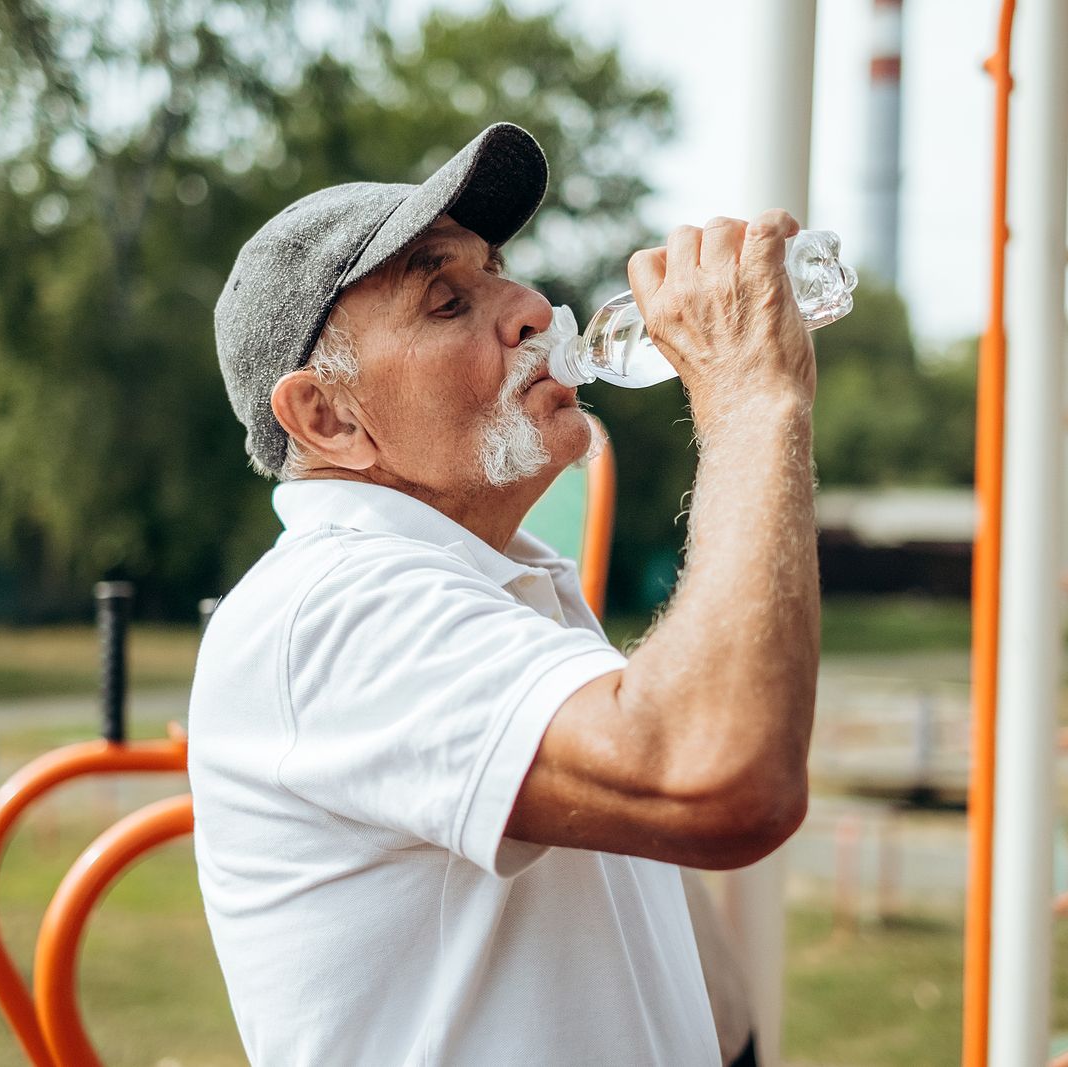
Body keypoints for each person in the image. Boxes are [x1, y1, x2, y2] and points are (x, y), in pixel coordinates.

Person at [190, 122, 818, 1066]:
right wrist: (747, 400)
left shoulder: (497, 579)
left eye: (499, 270)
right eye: (447, 300)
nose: (531, 306)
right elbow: (716, 771)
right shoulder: (334, 606)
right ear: (328, 415)